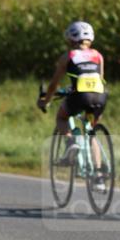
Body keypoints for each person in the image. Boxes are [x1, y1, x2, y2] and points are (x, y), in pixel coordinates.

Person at [38, 20, 108, 187]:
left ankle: (71, 143)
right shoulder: (98, 55)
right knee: (91, 132)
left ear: (70, 39)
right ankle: (98, 177)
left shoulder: (68, 56)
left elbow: (54, 84)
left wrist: (45, 101)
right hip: (100, 97)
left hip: (80, 96)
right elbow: (100, 79)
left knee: (62, 118)